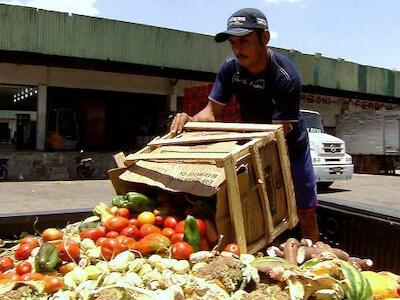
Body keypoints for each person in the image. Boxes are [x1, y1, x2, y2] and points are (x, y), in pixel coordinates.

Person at [170, 8, 319, 241]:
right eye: (232, 43)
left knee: (303, 199)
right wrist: (190, 120)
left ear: (265, 38)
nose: (237, 49)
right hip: (251, 137)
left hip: (288, 142)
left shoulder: (286, 76)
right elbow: (212, 112)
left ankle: (315, 247)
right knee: (251, 201)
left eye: (244, 41)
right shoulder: (230, 67)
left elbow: (278, 131)